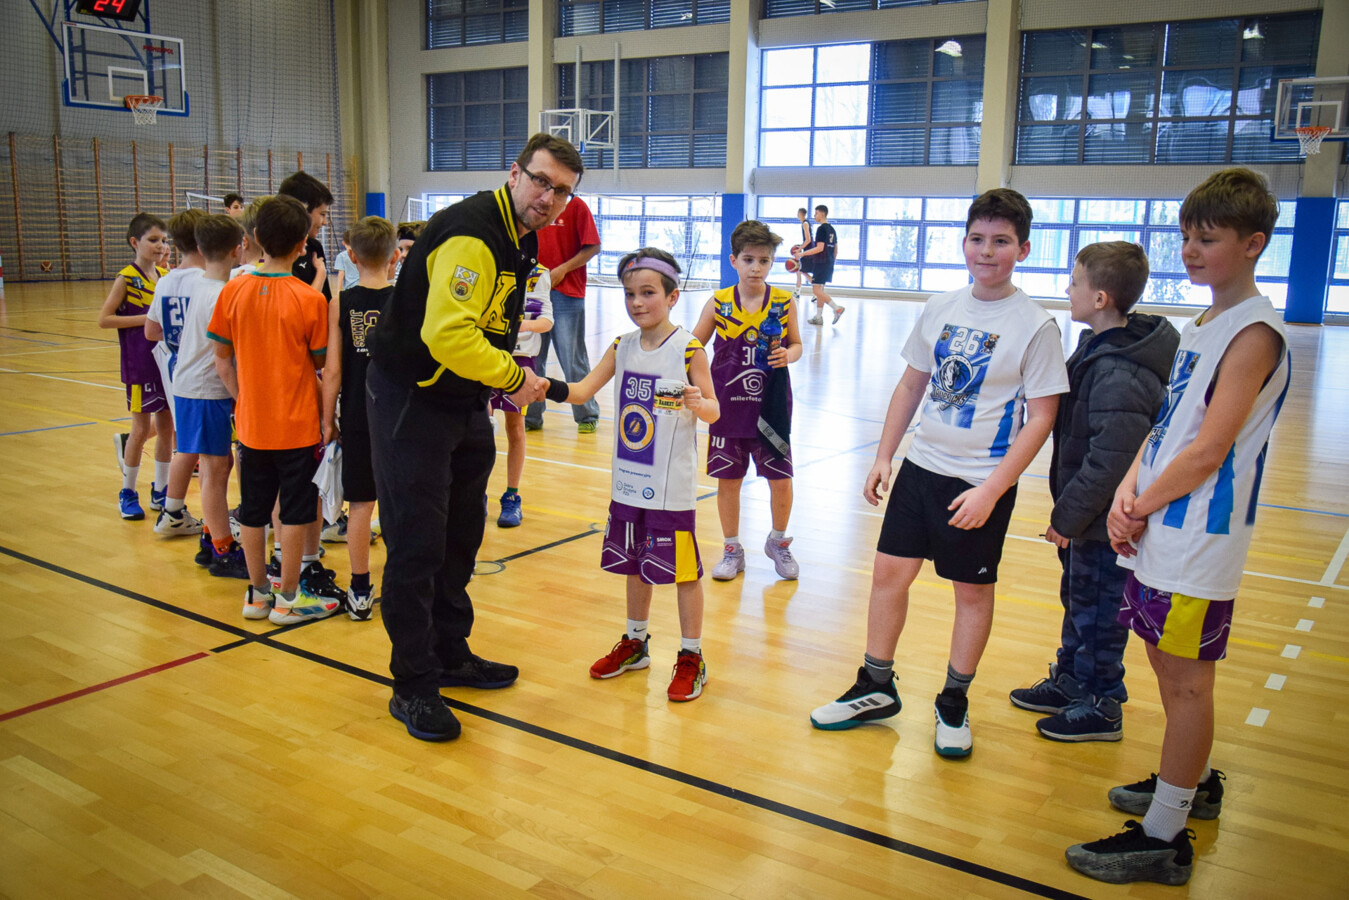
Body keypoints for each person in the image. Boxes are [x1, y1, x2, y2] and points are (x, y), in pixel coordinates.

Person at [1065, 168, 1290, 886]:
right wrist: (1129, 490)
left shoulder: (1254, 332)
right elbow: (1165, 428)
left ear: (1252, 244)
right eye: (1186, 236)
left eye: (1209, 239)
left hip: (1199, 538)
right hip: (1163, 523)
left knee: (1187, 685)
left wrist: (1138, 503)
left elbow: (1207, 448)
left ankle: (1164, 833)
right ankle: (1181, 784)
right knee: (1165, 669)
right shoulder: (1205, 322)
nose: (1190, 250)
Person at [808, 188, 1068, 759]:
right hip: (920, 471)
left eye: (1001, 241)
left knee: (971, 595)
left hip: (979, 484)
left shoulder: (1037, 325)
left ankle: (954, 700)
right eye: (977, 239)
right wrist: (885, 456)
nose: (986, 251)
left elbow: (1042, 417)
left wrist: (992, 491)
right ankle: (876, 686)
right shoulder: (940, 307)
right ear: (964, 243)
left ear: (1022, 248)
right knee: (887, 576)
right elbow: (912, 384)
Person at [365, 132, 575, 742]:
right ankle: (412, 685)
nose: (549, 196)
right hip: (413, 399)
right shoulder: (475, 233)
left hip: (461, 401)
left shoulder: (521, 234)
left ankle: (450, 653)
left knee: (462, 534)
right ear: (515, 173)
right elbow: (449, 335)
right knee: (416, 545)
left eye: (562, 191)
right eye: (541, 181)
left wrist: (498, 382)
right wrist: (515, 377)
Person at [1010, 242, 1179, 742]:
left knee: (1102, 610)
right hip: (1088, 518)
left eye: (1076, 281)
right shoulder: (1097, 347)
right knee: (1077, 598)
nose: (1068, 288)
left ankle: (1102, 703)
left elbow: (1111, 461)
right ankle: (1072, 680)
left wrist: (1067, 515)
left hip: (1106, 523)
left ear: (1101, 298)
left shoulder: (1119, 372)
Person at [551, 248, 720, 701]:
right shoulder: (621, 346)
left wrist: (698, 404)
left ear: (672, 296)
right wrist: (536, 384)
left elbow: (714, 409)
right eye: (629, 294)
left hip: (672, 488)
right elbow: (584, 388)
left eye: (648, 293)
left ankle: (691, 654)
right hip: (628, 480)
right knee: (635, 563)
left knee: (684, 571)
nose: (637, 302)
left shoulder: (689, 348)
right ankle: (636, 641)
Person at [208, 195, 341, 625]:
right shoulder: (309, 299)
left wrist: (243, 398)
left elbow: (221, 359)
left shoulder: (233, 290)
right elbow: (322, 367)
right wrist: (327, 421)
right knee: (297, 512)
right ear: (304, 244)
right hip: (298, 426)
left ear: (253, 239)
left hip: (251, 425)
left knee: (253, 509)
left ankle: (257, 594)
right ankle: (288, 598)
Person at [692, 220, 803, 582]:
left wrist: (790, 355)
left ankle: (778, 542)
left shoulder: (785, 302)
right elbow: (694, 346)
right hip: (727, 407)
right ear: (734, 261)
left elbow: (797, 343)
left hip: (770, 408)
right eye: (749, 259)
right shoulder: (719, 302)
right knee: (729, 481)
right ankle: (732, 549)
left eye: (764, 260)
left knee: (781, 479)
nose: (757, 267)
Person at [321, 215, 398, 619]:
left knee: (361, 506)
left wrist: (325, 419)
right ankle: (403, 585)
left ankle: (360, 590)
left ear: (350, 255)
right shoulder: (406, 302)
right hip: (399, 417)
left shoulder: (340, 302)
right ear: (396, 257)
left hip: (355, 413)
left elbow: (332, 370)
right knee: (400, 504)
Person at [172, 214, 248, 577]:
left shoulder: (204, 285)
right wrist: (243, 398)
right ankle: (223, 549)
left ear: (199, 249)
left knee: (217, 467)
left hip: (193, 388)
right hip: (206, 391)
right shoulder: (222, 294)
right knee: (216, 471)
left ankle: (209, 535)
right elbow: (224, 360)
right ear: (239, 249)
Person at [99, 213, 172, 520]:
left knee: (167, 429)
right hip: (139, 365)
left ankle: (162, 489)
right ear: (135, 242)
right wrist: (147, 319)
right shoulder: (126, 278)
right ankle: (128, 491)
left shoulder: (166, 276)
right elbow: (105, 319)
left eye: (164, 240)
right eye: (153, 240)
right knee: (141, 429)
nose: (160, 246)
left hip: (164, 365)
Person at [144, 207, 208, 536]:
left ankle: (174, 510)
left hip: (178, 371)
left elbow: (151, 331)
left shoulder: (166, 281)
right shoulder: (208, 282)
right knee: (210, 454)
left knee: (189, 444)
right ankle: (181, 514)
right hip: (206, 375)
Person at [523, 193, 601, 433]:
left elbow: (593, 246)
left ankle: (587, 415)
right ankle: (531, 417)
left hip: (567, 293)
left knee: (571, 356)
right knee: (532, 354)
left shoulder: (577, 207)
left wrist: (563, 270)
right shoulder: (531, 206)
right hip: (533, 292)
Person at [489, 263, 552, 527]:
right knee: (482, 428)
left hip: (523, 363)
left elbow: (547, 321)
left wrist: (519, 324)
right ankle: (474, 494)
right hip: (488, 358)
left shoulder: (539, 273)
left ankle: (512, 496)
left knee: (515, 428)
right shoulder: (490, 262)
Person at [278, 171, 334, 300]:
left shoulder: (315, 247)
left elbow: (325, 299)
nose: (325, 222)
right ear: (301, 210)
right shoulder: (272, 252)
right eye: (322, 214)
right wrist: (320, 274)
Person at [794, 205, 844, 325]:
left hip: (821, 263)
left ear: (822, 214)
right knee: (820, 290)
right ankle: (818, 317)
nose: (814, 216)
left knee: (816, 291)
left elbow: (819, 248)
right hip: (829, 262)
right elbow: (836, 249)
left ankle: (837, 308)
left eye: (816, 213)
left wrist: (802, 254)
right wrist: (831, 261)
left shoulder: (821, 229)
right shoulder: (832, 229)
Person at [792, 206, 816, 298]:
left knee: (800, 270)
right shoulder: (806, 223)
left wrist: (799, 248)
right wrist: (800, 246)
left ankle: (816, 292)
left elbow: (808, 240)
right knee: (799, 270)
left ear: (800, 214)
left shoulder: (805, 223)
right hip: (808, 250)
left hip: (809, 251)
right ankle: (798, 292)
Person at [330, 228, 359, 296]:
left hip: (349, 289)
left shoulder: (341, 256)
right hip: (363, 286)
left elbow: (341, 274)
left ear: (343, 243)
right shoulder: (361, 254)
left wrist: (339, 290)